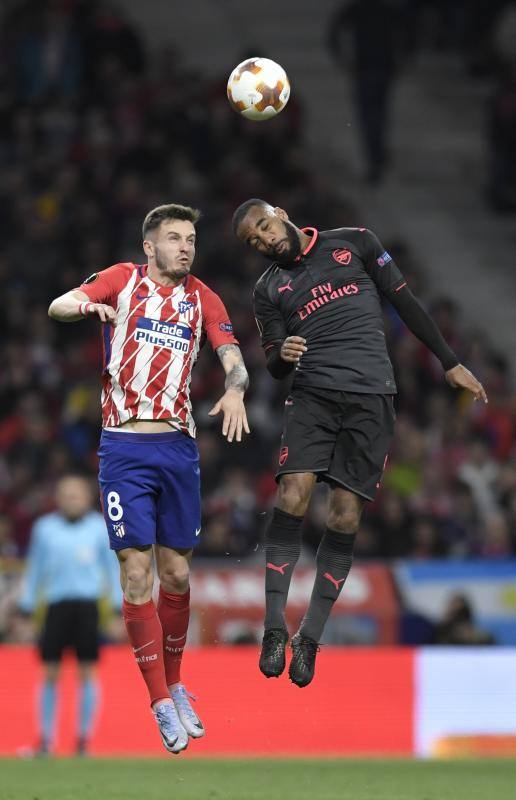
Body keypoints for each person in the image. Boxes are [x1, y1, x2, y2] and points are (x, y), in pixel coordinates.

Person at [232, 198, 487, 687]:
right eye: (254, 241)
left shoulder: (356, 242)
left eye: (264, 226)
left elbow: (406, 302)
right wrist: (282, 354)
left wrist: (448, 360)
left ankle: (309, 637)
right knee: (293, 493)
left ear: (280, 213)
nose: (264, 240)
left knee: (345, 515)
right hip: (313, 396)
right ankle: (272, 627)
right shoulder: (268, 290)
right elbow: (274, 360)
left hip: (372, 398)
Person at [48, 203, 250, 753]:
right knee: (136, 574)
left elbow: (232, 354)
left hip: (178, 447)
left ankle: (177, 682)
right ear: (149, 246)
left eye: (191, 239)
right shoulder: (122, 279)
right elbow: (58, 304)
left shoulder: (203, 297)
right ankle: (159, 700)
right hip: (124, 448)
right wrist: (84, 307)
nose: (185, 247)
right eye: (174, 238)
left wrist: (235, 387)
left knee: (177, 574)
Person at [17, 474, 121, 755]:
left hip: (87, 607)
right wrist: (26, 608)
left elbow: (111, 569)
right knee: (50, 671)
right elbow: (35, 568)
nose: (70, 499)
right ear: (58, 498)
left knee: (87, 671)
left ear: (87, 497)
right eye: (65, 494)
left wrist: (115, 608)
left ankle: (84, 740)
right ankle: (46, 741)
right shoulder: (45, 528)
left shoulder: (99, 528)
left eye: (76, 494)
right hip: (55, 606)